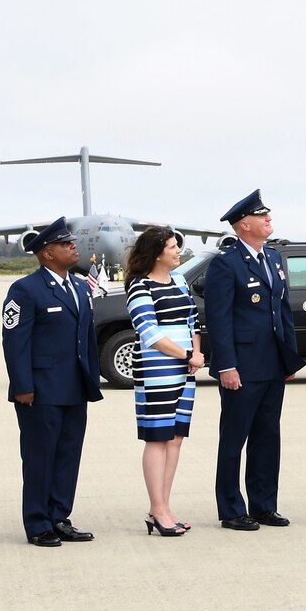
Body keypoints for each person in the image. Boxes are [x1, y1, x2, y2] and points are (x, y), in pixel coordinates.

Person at [201, 190, 304, 531]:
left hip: (272, 363)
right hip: (242, 366)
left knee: (267, 436)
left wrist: (289, 359)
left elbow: (282, 313)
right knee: (234, 439)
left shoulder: (273, 258)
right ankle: (231, 508)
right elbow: (219, 319)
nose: (269, 220)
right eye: (263, 216)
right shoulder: (226, 264)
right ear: (244, 224)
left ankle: (264, 505)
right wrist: (226, 366)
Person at [1, 217, 104, 547]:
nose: (73, 247)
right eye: (65, 244)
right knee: (39, 456)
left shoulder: (77, 285)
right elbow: (15, 342)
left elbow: (85, 338)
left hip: (74, 387)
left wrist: (91, 378)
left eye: (71, 242)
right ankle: (37, 523)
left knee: (68, 455)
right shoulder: (25, 289)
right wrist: (22, 386)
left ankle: (59, 516)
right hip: (40, 390)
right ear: (46, 253)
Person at [124, 226, 202, 537]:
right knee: (157, 438)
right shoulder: (139, 286)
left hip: (185, 369)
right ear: (157, 253)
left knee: (175, 439)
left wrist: (195, 353)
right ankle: (157, 508)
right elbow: (149, 333)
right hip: (157, 371)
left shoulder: (180, 281)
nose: (177, 251)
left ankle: (164, 507)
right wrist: (187, 354)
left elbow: (193, 320)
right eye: (172, 247)